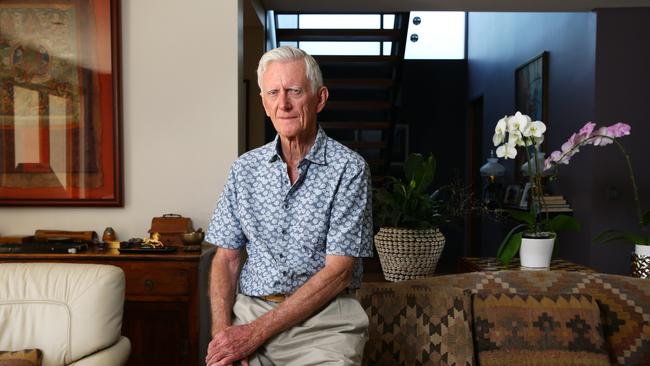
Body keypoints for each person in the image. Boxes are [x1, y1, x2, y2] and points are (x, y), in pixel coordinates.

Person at [204, 46, 373, 366]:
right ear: (264, 102)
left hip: (325, 324)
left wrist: (254, 333)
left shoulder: (350, 169)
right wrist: (223, 335)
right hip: (250, 312)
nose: (284, 104)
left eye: (294, 91)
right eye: (273, 92)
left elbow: (339, 273)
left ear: (319, 98)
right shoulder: (244, 169)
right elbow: (225, 258)